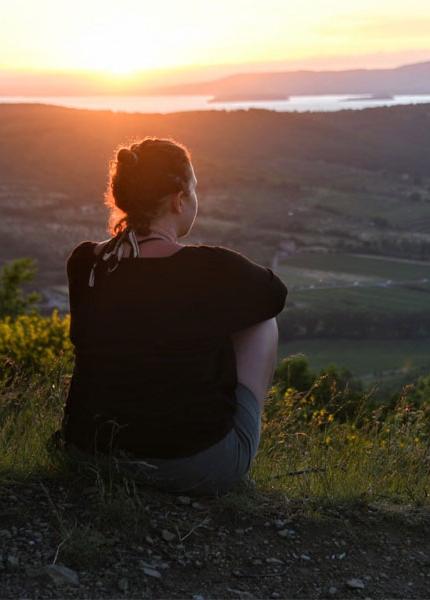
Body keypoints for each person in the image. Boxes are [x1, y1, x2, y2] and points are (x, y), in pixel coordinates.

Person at [62, 138, 286, 495]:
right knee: (262, 321)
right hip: (192, 468)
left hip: (86, 453)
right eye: (195, 188)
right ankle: (226, 436)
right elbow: (275, 296)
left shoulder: (86, 262)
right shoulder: (212, 268)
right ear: (179, 199)